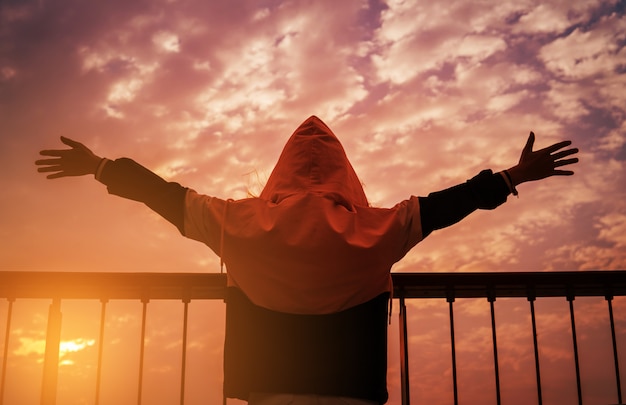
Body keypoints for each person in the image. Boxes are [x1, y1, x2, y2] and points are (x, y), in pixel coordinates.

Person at [36, 116, 578, 404]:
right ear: (347, 173)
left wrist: (100, 166)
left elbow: (163, 193)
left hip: (269, 388)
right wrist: (513, 176)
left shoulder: (239, 223)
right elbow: (450, 204)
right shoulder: (377, 228)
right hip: (354, 390)